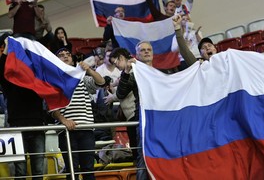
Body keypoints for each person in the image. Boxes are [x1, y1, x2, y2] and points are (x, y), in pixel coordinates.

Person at [52, 47, 105, 180]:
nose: (65, 56)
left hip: (86, 129)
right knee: (72, 171)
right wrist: (64, 120)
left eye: (68, 54)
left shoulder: (81, 77)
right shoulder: (53, 80)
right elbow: (51, 107)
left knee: (88, 170)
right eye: (61, 55)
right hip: (66, 131)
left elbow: (101, 82)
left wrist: (89, 69)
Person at [0, 37, 46, 179]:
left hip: (37, 126)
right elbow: (1, 68)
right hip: (16, 127)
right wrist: (8, 47)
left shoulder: (37, 79)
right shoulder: (9, 81)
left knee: (38, 171)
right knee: (20, 171)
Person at [109, 42, 153, 180]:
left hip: (153, 118)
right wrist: (126, 73)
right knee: (140, 157)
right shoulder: (131, 72)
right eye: (143, 50)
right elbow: (122, 92)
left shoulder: (158, 73)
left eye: (149, 50)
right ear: (137, 54)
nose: (146, 52)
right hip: (138, 118)